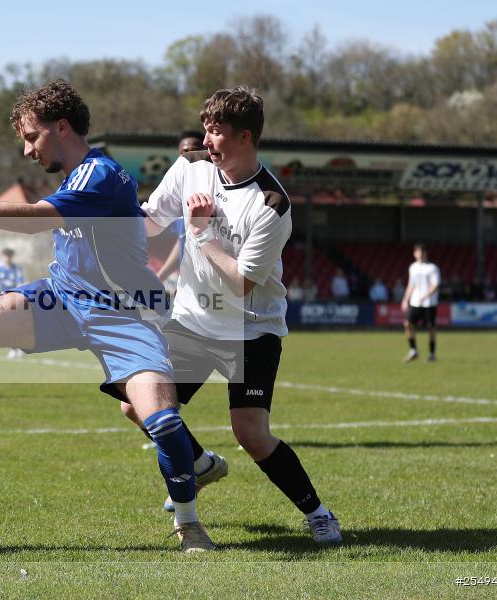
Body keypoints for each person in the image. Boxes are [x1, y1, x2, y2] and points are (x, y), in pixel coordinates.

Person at [0, 79, 214, 552]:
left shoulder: (99, 175)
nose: (26, 150)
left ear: (62, 128)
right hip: (61, 298)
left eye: (31, 137)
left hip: (125, 314)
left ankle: (189, 523)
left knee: (161, 421)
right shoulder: (76, 176)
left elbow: (33, 220)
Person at [109, 86, 341, 544]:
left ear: (246, 137)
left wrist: (202, 232)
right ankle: (198, 463)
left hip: (249, 328)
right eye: (206, 130)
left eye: (217, 133)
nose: (208, 140)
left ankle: (319, 514)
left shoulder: (271, 205)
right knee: (135, 402)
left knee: (251, 433)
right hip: (194, 319)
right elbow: (152, 220)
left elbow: (242, 282)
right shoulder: (193, 165)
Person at [156, 131, 206, 283]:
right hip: (191, 284)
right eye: (184, 152)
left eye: (195, 150)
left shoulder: (212, 192)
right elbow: (183, 242)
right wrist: (160, 278)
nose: (189, 156)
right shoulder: (180, 196)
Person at [401, 242, 440, 363]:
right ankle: (413, 350)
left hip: (429, 303)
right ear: (414, 254)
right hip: (415, 302)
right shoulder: (412, 267)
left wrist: (425, 295)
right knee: (407, 324)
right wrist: (405, 299)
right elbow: (411, 285)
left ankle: (432, 353)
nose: (421, 254)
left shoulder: (432, 268)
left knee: (431, 328)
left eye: (422, 252)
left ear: (426, 253)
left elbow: (435, 285)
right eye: (418, 252)